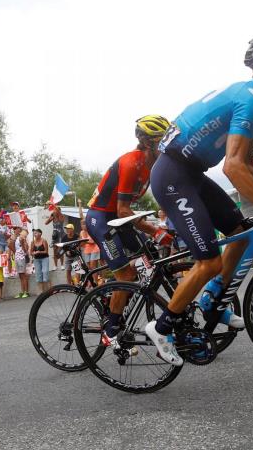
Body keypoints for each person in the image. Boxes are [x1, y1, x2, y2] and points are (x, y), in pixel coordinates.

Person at [144, 31, 253, 366]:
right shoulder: (250, 97)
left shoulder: (252, 98)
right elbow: (233, 167)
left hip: (191, 174)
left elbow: (247, 161)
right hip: (173, 175)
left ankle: (213, 300)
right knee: (209, 260)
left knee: (239, 233)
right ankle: (162, 327)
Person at [84, 115, 174, 347]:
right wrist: (154, 231)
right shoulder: (131, 163)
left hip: (117, 218)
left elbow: (164, 198)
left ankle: (117, 295)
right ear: (148, 143)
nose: (167, 145)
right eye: (161, 141)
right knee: (125, 275)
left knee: (150, 258)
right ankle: (111, 329)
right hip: (101, 218)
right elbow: (123, 210)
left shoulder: (153, 166)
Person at [78, 200, 101, 280]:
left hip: (95, 248)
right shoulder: (81, 232)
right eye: (82, 224)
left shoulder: (91, 228)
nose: (83, 225)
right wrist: (79, 204)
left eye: (84, 223)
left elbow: (92, 241)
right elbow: (81, 244)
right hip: (87, 249)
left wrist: (84, 241)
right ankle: (93, 282)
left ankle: (96, 283)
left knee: (93, 266)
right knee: (89, 267)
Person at [31, 229, 51, 293]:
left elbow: (46, 251)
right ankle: (41, 291)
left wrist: (39, 251)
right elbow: (30, 252)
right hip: (36, 259)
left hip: (44, 258)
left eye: (36, 233)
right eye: (34, 233)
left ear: (40, 234)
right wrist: (33, 253)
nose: (34, 234)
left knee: (45, 272)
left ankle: (49, 290)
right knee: (38, 274)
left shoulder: (44, 240)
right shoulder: (32, 242)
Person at [13, 228, 31, 298]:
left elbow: (25, 250)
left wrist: (22, 243)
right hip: (17, 258)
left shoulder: (25, 241)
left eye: (25, 234)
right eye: (23, 233)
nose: (24, 234)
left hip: (22, 258)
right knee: (20, 276)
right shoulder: (16, 239)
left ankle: (26, 292)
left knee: (23, 275)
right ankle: (22, 291)